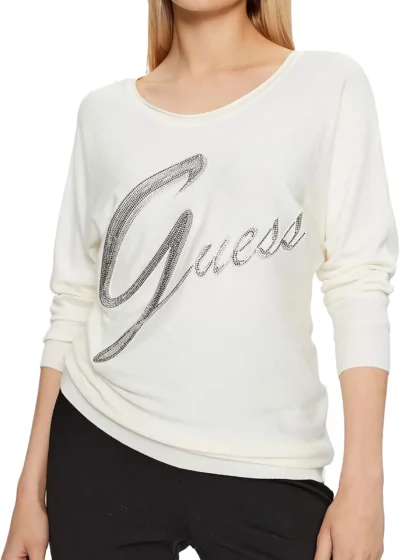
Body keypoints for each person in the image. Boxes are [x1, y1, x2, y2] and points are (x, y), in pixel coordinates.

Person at [2, 1, 398, 559]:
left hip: (268, 464)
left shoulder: (327, 86)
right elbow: (73, 301)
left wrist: (366, 484)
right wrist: (29, 492)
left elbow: (358, 283)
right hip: (100, 444)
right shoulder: (104, 114)